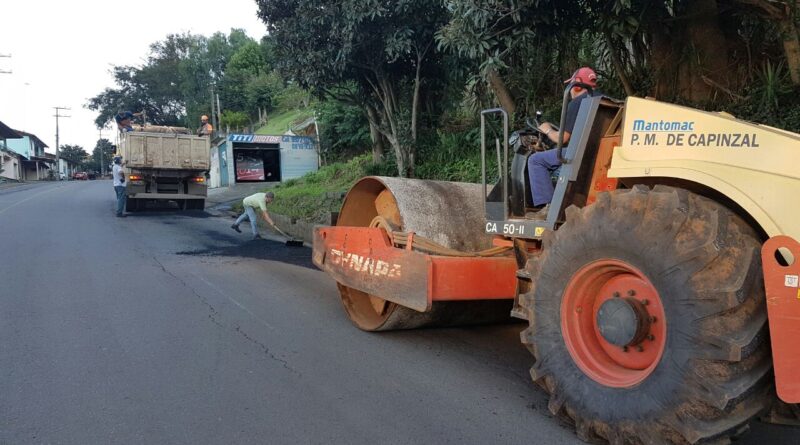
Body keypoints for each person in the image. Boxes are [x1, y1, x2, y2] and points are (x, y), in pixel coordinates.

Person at [527, 67, 599, 219]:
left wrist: (546, 130)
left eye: (571, 84)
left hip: (578, 154)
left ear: (578, 85)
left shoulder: (579, 102)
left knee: (535, 160)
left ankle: (549, 208)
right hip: (595, 153)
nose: (570, 89)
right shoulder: (601, 100)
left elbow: (563, 138)